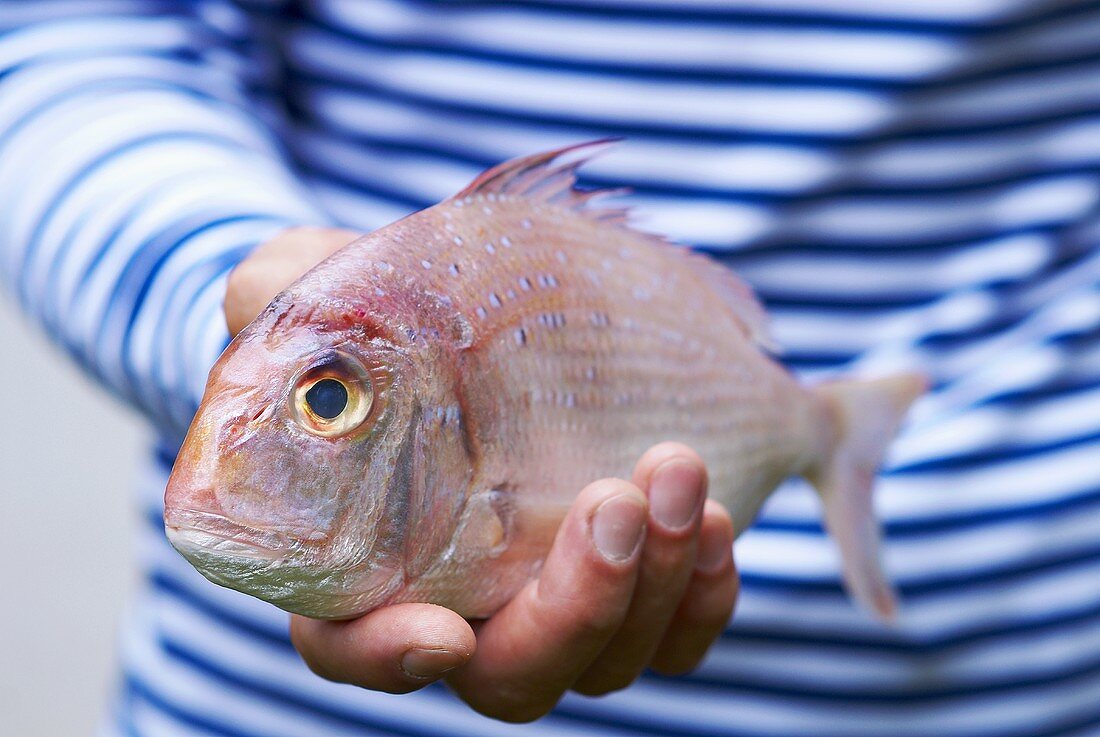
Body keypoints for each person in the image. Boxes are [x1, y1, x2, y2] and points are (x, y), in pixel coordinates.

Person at [2, 1, 1098, 735]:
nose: (309, 409)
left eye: (324, 398)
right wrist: (226, 289)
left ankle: (832, 437)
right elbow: (78, 39)